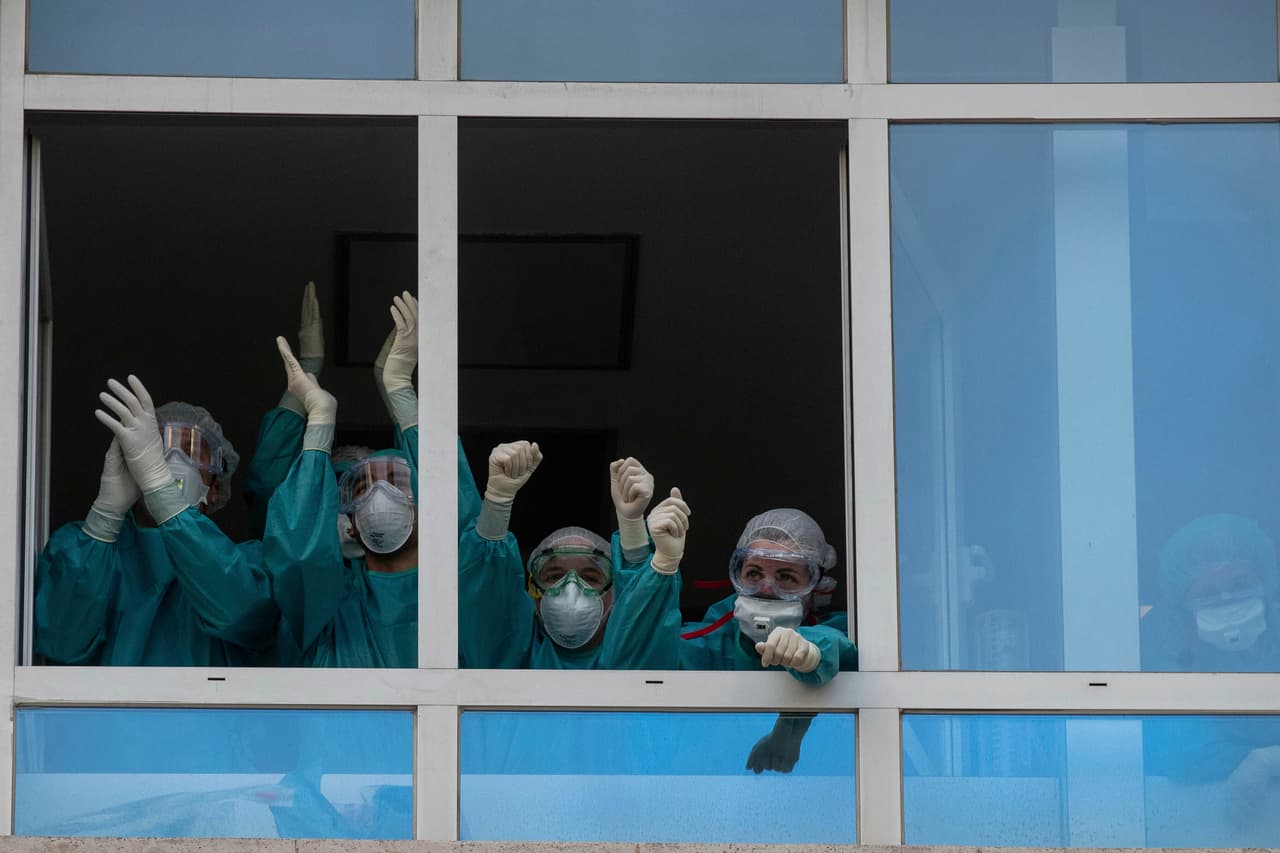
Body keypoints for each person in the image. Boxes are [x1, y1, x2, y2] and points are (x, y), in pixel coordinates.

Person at [35, 378, 277, 666]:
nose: (171, 462)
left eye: (190, 452)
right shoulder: (80, 548)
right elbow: (60, 643)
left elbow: (244, 617)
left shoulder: (247, 564)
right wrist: (104, 517)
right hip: (107, 712)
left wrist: (163, 496)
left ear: (214, 488)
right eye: (157, 451)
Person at [263, 292, 421, 667]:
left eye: (396, 483)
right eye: (360, 489)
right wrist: (317, 423)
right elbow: (293, 547)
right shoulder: (328, 608)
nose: (381, 497)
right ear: (346, 517)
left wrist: (398, 389)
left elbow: (461, 519)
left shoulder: (453, 602)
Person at [458, 442, 688, 669]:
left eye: (590, 577)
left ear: (617, 594)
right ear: (532, 591)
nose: (571, 589)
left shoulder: (649, 656)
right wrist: (497, 501)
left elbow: (643, 637)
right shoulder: (507, 658)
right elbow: (487, 597)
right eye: (554, 575)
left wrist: (637, 536)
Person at [680, 508, 855, 686]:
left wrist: (814, 653)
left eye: (786, 577)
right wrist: (659, 567)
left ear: (815, 587)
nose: (766, 589)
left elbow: (850, 653)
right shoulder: (700, 646)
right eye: (754, 574)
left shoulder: (848, 634)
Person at [1141, 513, 1280, 673]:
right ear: (1183, 604)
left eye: (1240, 585)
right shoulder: (1156, 640)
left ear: (1264, 582)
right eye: (1207, 593)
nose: (1226, 598)